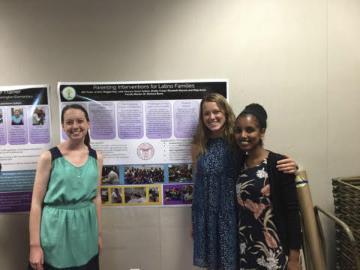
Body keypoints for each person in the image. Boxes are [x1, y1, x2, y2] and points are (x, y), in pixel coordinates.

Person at [191, 93, 298, 270]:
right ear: (201, 118)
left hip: (231, 217)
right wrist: (195, 221)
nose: (212, 117)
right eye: (206, 113)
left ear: (225, 113)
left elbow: (261, 158)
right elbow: (198, 185)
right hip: (207, 216)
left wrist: (292, 165)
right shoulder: (198, 145)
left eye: (216, 111)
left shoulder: (236, 143)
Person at [29, 104, 103, 270]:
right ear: (63, 126)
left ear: (88, 124)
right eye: (69, 122)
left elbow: (96, 197)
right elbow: (35, 203)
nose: (75, 126)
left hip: (86, 233)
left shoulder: (96, 157)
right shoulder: (48, 157)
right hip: (55, 232)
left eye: (80, 121)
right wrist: (34, 246)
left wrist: (98, 234)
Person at [234, 103, 301, 269]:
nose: (243, 135)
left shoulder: (278, 164)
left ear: (262, 131)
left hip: (275, 253)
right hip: (246, 251)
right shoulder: (237, 165)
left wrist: (294, 258)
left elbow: (292, 213)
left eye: (250, 130)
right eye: (238, 130)